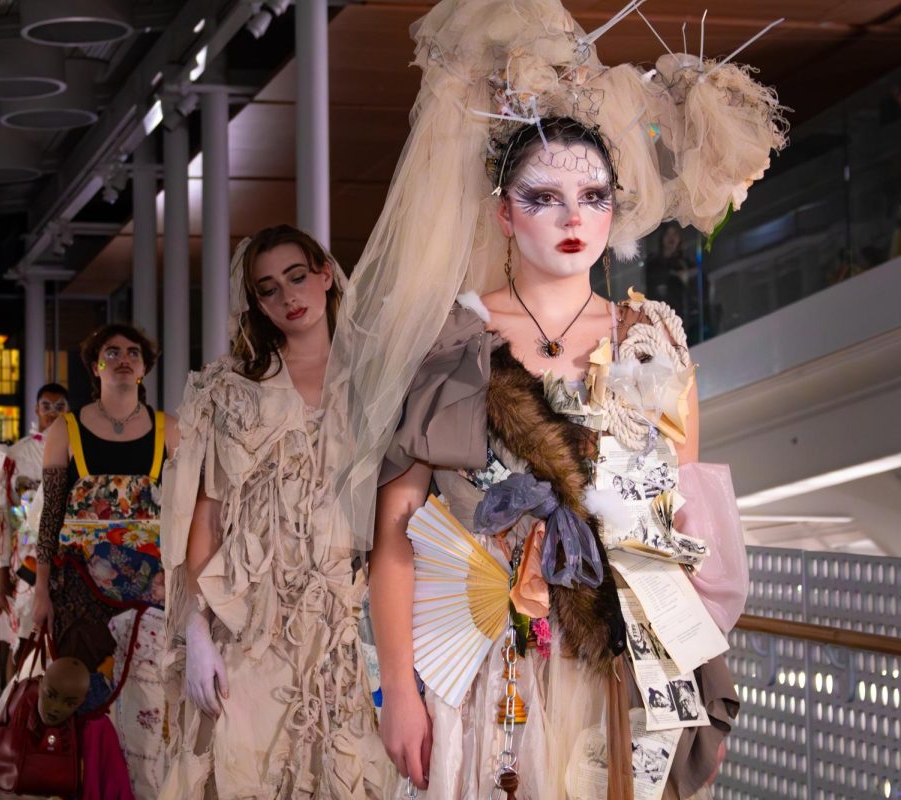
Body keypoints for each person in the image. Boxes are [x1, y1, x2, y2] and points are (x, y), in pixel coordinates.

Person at [331, 0, 782, 797]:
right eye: (544, 197)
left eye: (594, 197)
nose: (574, 218)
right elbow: (398, 527)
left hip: (617, 659)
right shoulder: (454, 339)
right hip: (484, 663)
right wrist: (399, 686)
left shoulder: (653, 340)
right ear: (504, 213)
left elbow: (682, 521)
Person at [159, 225, 391, 799]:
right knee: (252, 770)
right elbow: (206, 518)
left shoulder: (378, 382)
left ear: (326, 274)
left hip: (350, 621)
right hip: (254, 624)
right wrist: (197, 633)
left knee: (351, 773)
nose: (288, 296)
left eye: (296, 276)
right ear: (256, 304)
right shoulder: (233, 391)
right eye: (267, 289)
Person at [32, 324, 179, 798]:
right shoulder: (65, 428)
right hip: (78, 588)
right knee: (87, 697)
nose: (122, 359)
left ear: (144, 367)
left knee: (147, 697)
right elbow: (50, 515)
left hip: (150, 589)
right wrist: (40, 592)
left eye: (132, 353)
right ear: (95, 366)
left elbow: (188, 511)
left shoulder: (169, 430)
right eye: (110, 352)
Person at [0, 382, 68, 684]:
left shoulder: (77, 453)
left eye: (60, 407)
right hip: (23, 564)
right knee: (19, 638)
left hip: (64, 558)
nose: (53, 413)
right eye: (47, 406)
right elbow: (0, 517)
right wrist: (2, 571)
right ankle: (13, 712)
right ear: (36, 409)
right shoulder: (13, 456)